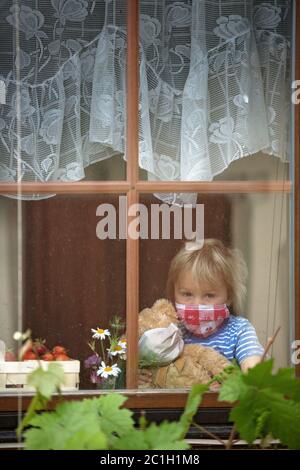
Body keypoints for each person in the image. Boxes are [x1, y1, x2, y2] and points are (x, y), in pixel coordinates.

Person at [166, 238, 264, 372]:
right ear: (174, 293)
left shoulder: (239, 331)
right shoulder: (172, 333)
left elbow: (254, 372)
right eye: (187, 294)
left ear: (228, 296)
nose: (196, 305)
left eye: (209, 295)